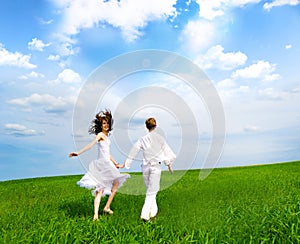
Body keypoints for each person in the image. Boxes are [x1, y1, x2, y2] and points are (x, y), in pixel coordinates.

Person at [69, 110, 130, 221]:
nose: (106, 125)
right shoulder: (100, 135)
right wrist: (78, 153)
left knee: (115, 184)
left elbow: (107, 152)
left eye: (107, 123)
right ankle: (96, 215)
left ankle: (106, 207)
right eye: (103, 123)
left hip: (108, 163)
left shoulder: (107, 137)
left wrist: (115, 163)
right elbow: (91, 145)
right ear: (100, 125)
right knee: (100, 190)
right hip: (102, 165)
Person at [119, 117, 176, 222]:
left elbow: (133, 151)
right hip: (155, 167)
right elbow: (168, 154)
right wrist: (169, 164)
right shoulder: (160, 139)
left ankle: (153, 213)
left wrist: (126, 164)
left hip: (145, 168)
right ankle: (145, 215)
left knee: (151, 191)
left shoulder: (142, 139)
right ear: (156, 126)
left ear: (146, 127)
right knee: (151, 192)